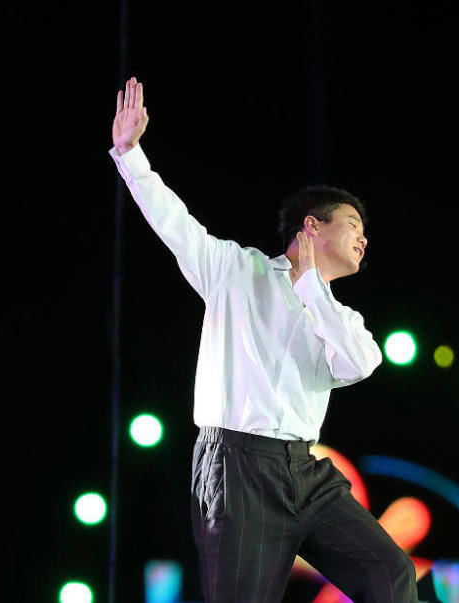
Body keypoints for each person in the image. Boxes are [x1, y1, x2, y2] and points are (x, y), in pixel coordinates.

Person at [109, 77, 416, 602]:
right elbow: (174, 223)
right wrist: (130, 154)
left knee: (390, 574)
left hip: (306, 471)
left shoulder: (341, 318)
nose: (364, 238)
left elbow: (359, 365)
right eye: (352, 224)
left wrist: (313, 289)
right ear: (312, 227)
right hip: (237, 467)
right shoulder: (235, 271)